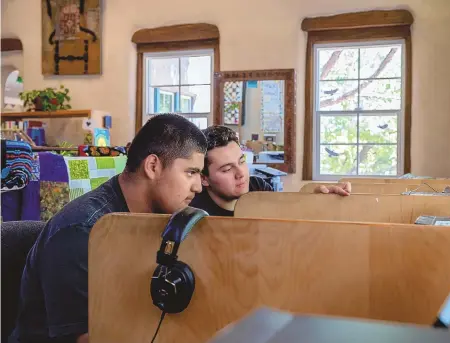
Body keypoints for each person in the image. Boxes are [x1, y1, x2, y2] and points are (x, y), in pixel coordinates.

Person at [9, 114, 207, 343]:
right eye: (190, 172)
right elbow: (87, 338)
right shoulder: (83, 230)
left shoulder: (154, 220)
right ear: (153, 166)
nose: (198, 186)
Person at [189, 125, 351, 216]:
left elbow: (289, 213)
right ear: (204, 179)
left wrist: (316, 200)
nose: (241, 174)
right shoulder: (193, 212)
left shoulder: (259, 188)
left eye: (242, 161)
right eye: (227, 169)